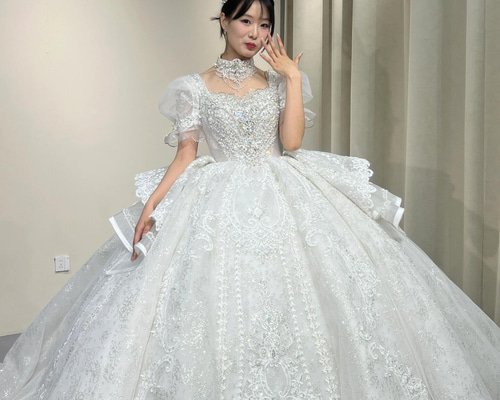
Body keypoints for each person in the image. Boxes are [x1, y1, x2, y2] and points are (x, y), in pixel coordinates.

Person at [1, 0, 500, 398]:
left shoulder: (280, 80)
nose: (256, 32)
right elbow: (186, 155)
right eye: (246, 20)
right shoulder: (193, 87)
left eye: (264, 24)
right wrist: (151, 206)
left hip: (284, 189)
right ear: (223, 20)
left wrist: (291, 78)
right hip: (214, 197)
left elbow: (293, 142)